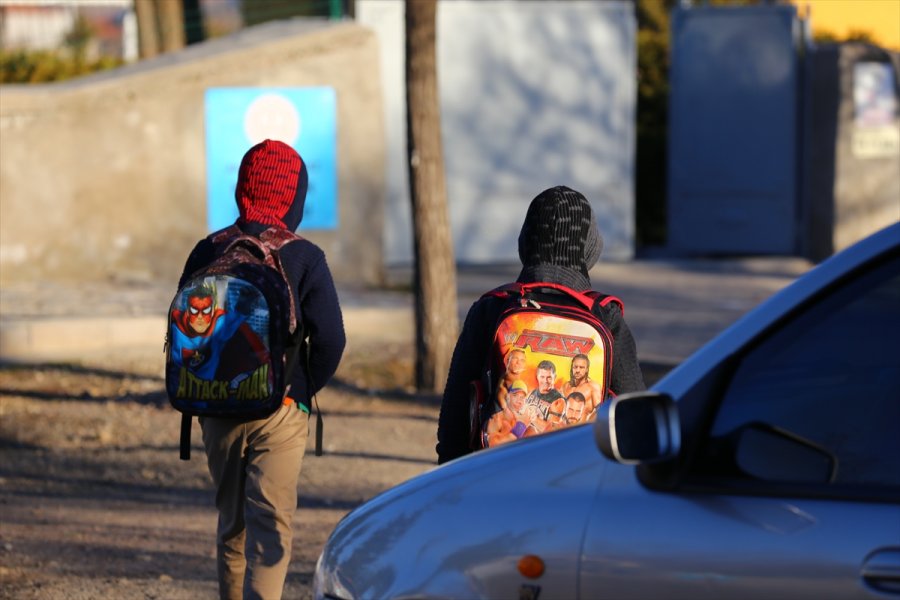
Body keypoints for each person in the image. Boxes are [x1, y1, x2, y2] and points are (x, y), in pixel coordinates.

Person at [177, 139, 345, 600]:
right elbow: (331, 338)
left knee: (231, 525)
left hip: (215, 407)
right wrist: (301, 390)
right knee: (270, 529)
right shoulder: (304, 255)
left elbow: (187, 328)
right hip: (279, 409)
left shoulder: (208, 249)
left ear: (242, 189)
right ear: (294, 198)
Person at [437, 185, 645, 465]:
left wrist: (450, 475)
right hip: (579, 478)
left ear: (525, 243)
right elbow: (635, 415)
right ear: (590, 248)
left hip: (494, 473)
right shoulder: (606, 318)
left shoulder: (491, 309)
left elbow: (455, 412)